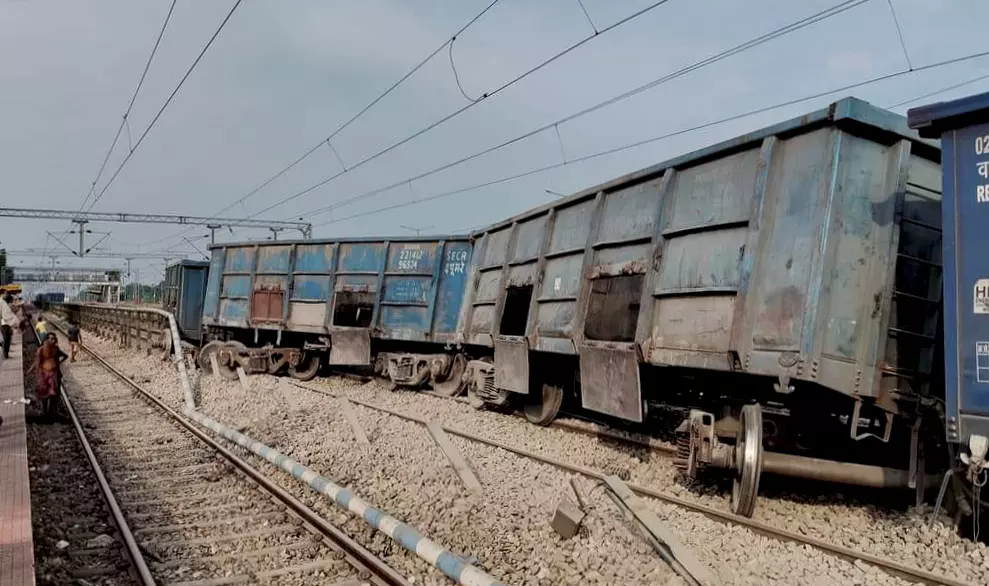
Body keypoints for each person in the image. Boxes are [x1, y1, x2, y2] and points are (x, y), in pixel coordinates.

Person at [26, 334, 67, 418]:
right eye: (50, 339)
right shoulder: (41, 350)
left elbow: (65, 356)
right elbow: (35, 363)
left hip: (55, 375)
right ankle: (45, 412)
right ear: (46, 340)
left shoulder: (56, 349)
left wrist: (58, 363)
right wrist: (28, 372)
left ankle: (52, 412)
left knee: (54, 395)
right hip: (43, 375)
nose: (53, 340)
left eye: (54, 339)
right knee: (44, 394)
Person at [0, 294, 19, 359]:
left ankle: (6, 354)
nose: (13, 301)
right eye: (12, 300)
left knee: (7, 340)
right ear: (9, 300)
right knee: (6, 340)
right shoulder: (6, 306)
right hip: (5, 325)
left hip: (6, 325)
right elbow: (10, 315)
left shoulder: (7, 305)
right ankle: (5, 354)